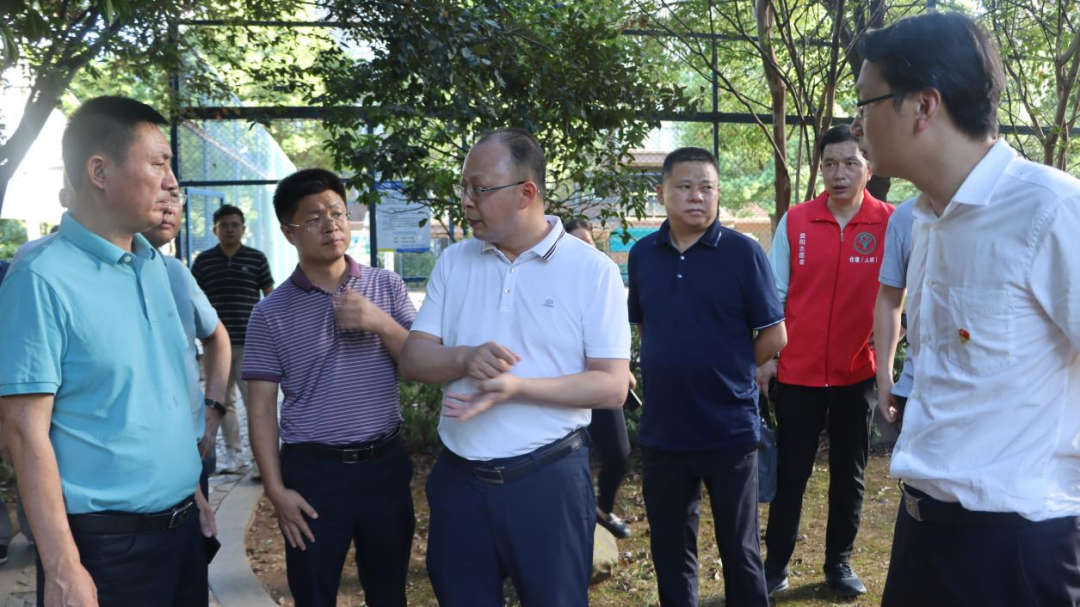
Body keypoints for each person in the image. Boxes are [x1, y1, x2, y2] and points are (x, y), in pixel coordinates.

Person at [852, 12, 1080, 606]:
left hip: (1016, 549)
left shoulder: (1053, 211)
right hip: (922, 532)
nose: (857, 124)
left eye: (866, 103)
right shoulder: (926, 218)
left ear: (923, 106)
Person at [398, 128, 631, 607]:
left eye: (480, 189)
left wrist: (517, 387)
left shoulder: (592, 271)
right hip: (460, 481)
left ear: (527, 193)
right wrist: (464, 357)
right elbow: (413, 359)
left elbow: (611, 387)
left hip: (548, 481)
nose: (467, 201)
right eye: (464, 188)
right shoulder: (454, 262)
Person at [0, 95, 210, 607]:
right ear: (99, 171)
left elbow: (157, 393)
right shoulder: (40, 279)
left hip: (183, 531)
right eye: (158, 163)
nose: (171, 182)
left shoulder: (153, 265)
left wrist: (192, 491)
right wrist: (63, 567)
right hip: (107, 549)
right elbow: (23, 432)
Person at [243, 169, 417, 607]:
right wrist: (276, 490)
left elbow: (417, 365)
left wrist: (379, 322)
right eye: (314, 217)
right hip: (314, 473)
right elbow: (260, 409)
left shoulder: (387, 286)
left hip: (384, 465)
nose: (331, 225)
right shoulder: (269, 313)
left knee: (389, 592)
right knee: (314, 593)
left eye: (337, 213)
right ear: (289, 232)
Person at [628, 147, 787, 607]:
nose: (697, 196)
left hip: (728, 429)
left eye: (707, 188)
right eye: (685, 186)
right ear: (662, 192)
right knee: (670, 549)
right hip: (663, 431)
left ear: (718, 194)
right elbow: (644, 327)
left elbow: (775, 334)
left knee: (740, 549)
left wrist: (733, 368)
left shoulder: (742, 253)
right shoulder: (643, 255)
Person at [757, 124, 893, 597]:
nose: (840, 173)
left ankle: (839, 563)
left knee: (849, 475)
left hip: (858, 372)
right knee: (791, 472)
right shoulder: (796, 221)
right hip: (799, 372)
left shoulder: (891, 223)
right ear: (820, 168)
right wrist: (767, 358)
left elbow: (905, 297)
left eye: (851, 163)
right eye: (830, 164)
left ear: (869, 168)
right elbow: (773, 296)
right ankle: (775, 565)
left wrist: (890, 353)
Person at [143, 192, 232, 500]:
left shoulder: (175, 272)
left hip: (188, 449)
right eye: (157, 196)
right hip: (118, 470)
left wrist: (214, 406)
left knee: (199, 525)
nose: (168, 207)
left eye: (174, 197)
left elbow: (216, 335)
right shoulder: (47, 266)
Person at [191, 204, 274, 475]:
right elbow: (193, 299)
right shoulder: (204, 262)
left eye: (235, 224)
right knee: (222, 402)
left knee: (255, 402)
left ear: (243, 229)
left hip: (252, 343)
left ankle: (263, 460)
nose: (230, 229)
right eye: (224, 225)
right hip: (216, 346)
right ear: (215, 230)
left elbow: (270, 296)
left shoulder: (256, 258)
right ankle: (233, 455)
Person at [564, 217, 633, 539]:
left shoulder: (602, 280)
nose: (585, 249)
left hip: (600, 384)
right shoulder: (547, 282)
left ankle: (602, 510)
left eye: (588, 243)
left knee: (618, 455)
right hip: (562, 389)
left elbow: (614, 336)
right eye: (576, 243)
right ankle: (576, 519)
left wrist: (621, 369)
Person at [873, 196, 917, 426]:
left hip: (991, 396)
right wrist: (885, 378)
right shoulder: (905, 216)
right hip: (915, 387)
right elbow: (891, 298)